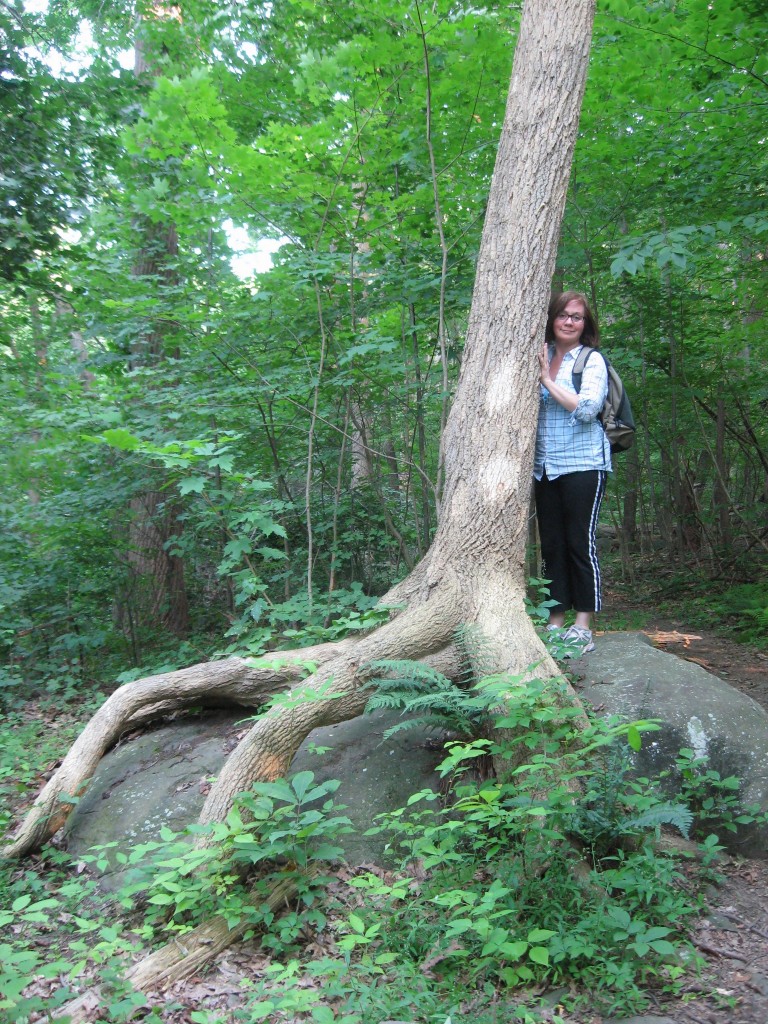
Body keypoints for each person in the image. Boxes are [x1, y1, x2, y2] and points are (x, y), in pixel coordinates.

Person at [534, 290, 611, 656]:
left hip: (584, 463)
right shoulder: (541, 354)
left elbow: (587, 409)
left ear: (585, 324)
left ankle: (583, 625)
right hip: (544, 467)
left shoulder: (590, 360)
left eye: (577, 317)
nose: (569, 321)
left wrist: (547, 382)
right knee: (552, 546)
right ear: (551, 318)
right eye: (563, 315)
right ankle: (554, 621)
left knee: (580, 542)